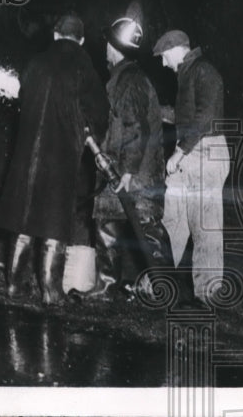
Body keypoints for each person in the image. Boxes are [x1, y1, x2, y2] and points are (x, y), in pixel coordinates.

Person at [0, 14, 109, 306]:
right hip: (61, 155)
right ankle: (51, 291)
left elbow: (23, 99)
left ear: (55, 35)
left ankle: (14, 285)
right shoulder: (83, 65)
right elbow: (98, 111)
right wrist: (92, 133)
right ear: (81, 40)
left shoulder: (35, 62)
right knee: (54, 221)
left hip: (27, 154)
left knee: (23, 218)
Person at [75, 18, 168, 300]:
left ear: (113, 47)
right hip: (119, 167)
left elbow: (136, 127)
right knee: (107, 226)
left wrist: (127, 171)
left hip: (135, 173)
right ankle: (106, 286)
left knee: (147, 230)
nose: (105, 48)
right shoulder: (123, 78)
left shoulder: (130, 80)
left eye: (107, 43)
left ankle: (167, 290)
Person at [153, 29, 230, 303]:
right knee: (172, 218)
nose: (164, 63)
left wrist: (180, 152)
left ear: (176, 49)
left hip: (205, 151)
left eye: (164, 56)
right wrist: (155, 111)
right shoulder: (187, 74)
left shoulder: (204, 70)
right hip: (191, 151)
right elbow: (186, 116)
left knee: (205, 224)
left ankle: (208, 293)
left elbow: (206, 116)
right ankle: (159, 283)